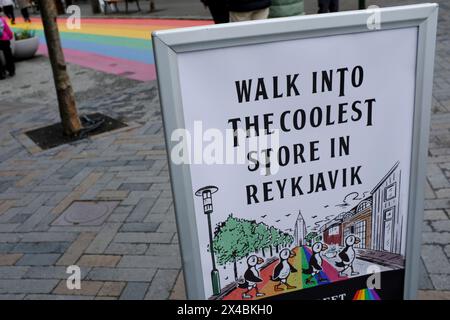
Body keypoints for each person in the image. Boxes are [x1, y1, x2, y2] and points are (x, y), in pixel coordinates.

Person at [0, 13, 15, 80]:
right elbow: (7, 29)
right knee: (8, 55)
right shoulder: (1, 19)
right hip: (4, 39)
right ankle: (11, 71)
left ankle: (1, 74)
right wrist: (10, 36)